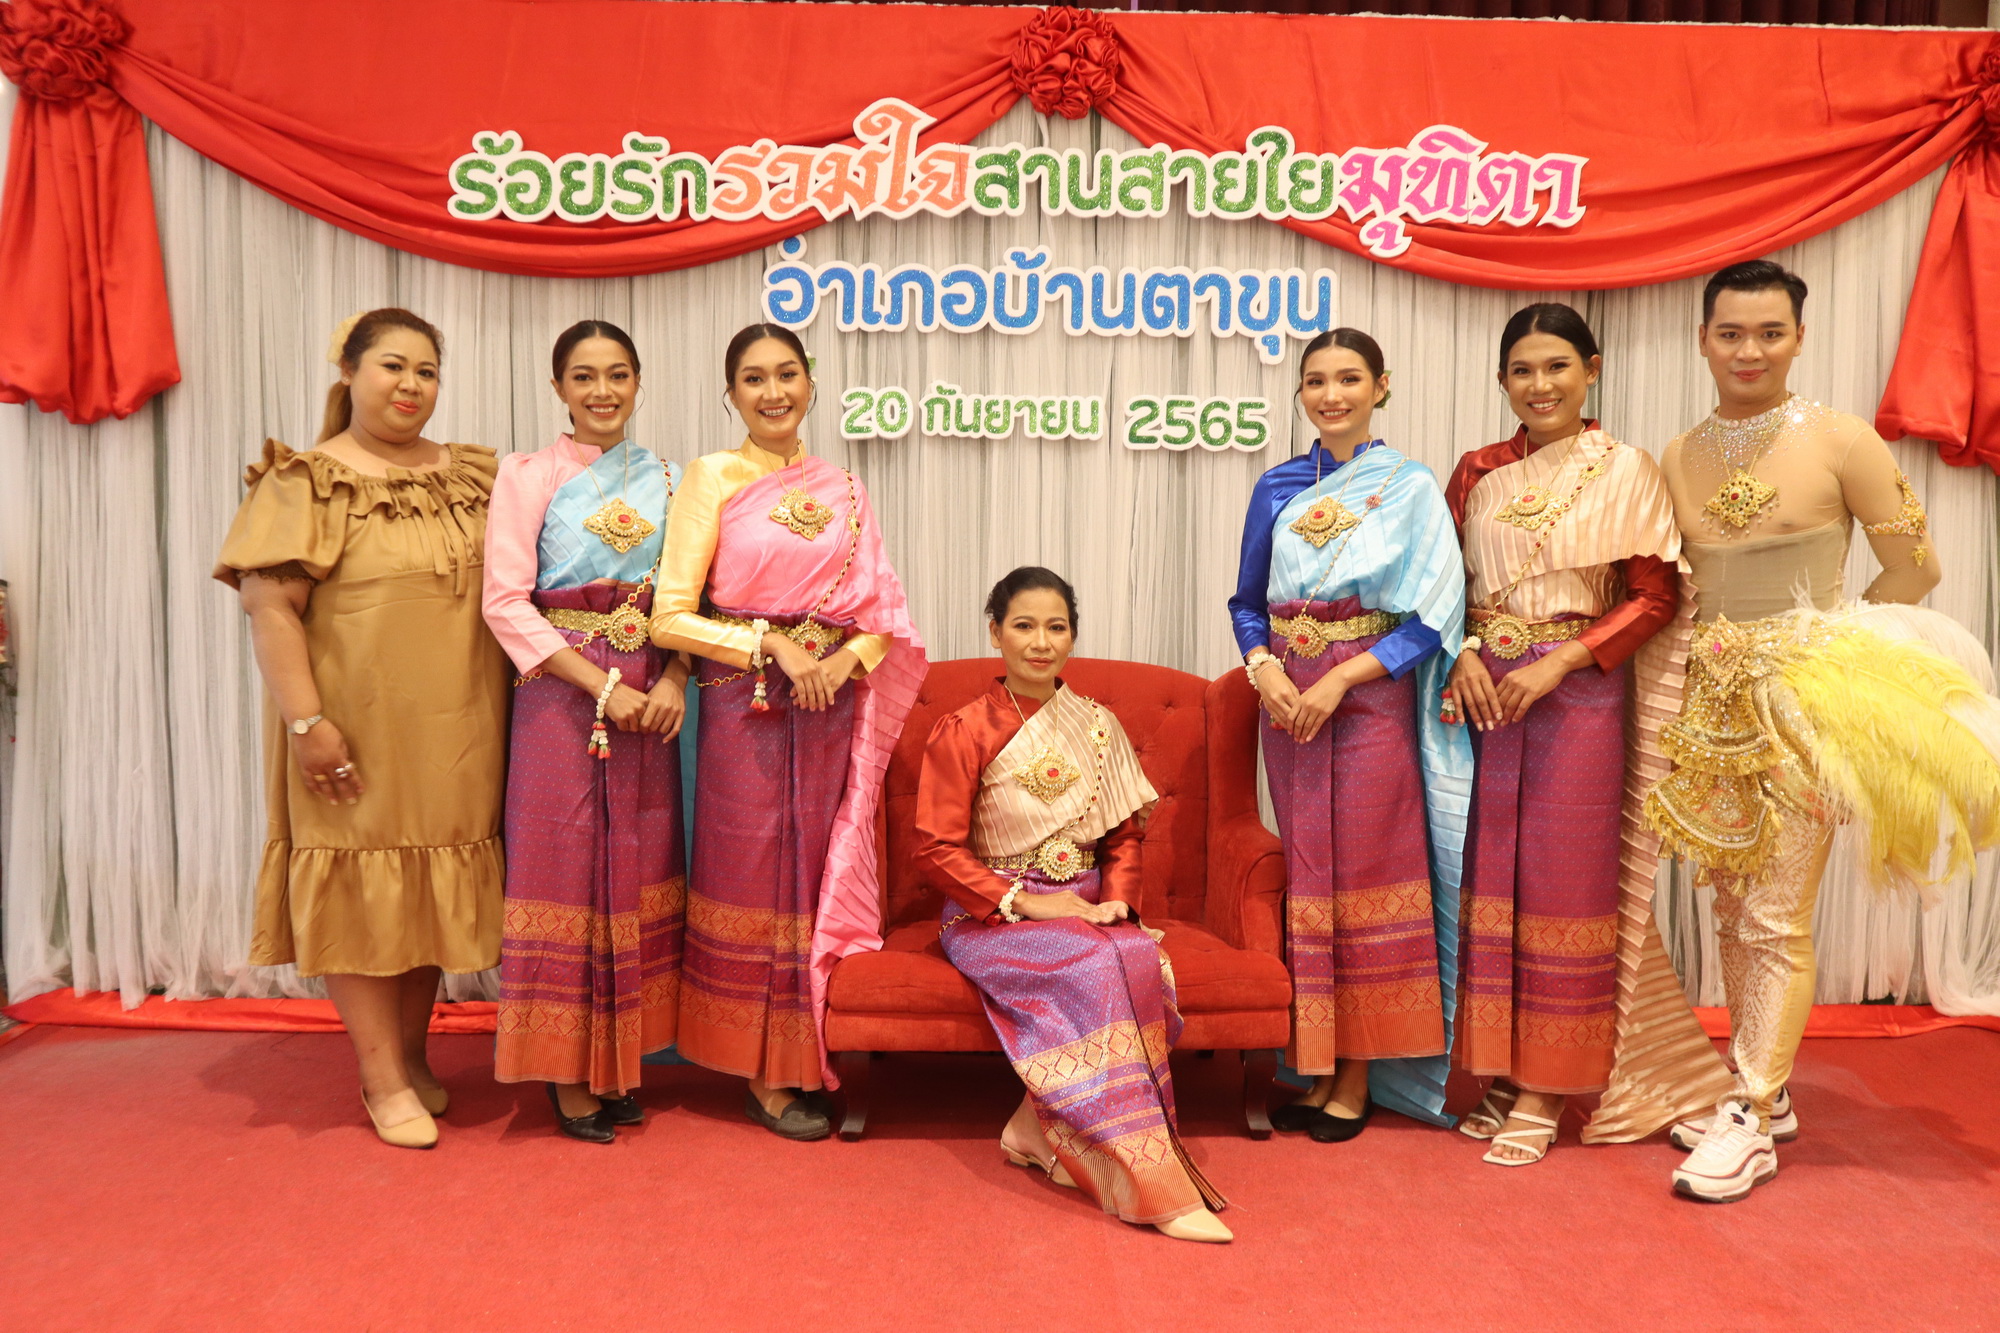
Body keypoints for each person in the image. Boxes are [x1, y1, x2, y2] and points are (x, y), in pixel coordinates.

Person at [1649, 260, 2000, 1201]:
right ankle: (1764, 1088)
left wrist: (1828, 654)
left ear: (1799, 338)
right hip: (1709, 705)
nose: (1750, 350)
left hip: (1806, 703)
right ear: (1703, 340)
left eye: (1770, 332)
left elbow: (1915, 569)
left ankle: (1750, 1112)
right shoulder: (1679, 453)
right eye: (1731, 333)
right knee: (1732, 907)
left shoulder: (1844, 440)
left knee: (1775, 911)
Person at [1441, 304, 1734, 1167]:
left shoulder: (1626, 469)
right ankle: (1504, 1067)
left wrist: (1561, 662)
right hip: (1489, 694)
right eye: (1523, 371)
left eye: (1558, 367)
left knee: (1565, 885)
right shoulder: (1477, 470)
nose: (1541, 385)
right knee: (1494, 879)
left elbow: (1654, 597)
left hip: (1577, 697)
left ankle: (1549, 1082)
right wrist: (1463, 650)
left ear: (1592, 369)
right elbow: (1447, 580)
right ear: (1502, 380)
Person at [215, 309, 508, 1149]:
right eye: (392, 365)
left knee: (425, 894)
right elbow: (270, 607)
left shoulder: (473, 475)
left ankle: (413, 1057)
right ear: (347, 370)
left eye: (427, 370)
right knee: (360, 894)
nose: (411, 384)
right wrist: (307, 721)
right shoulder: (306, 480)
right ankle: (381, 1078)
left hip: (460, 729)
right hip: (354, 729)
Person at [649, 323, 925, 1140]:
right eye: (753, 378)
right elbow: (670, 616)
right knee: (751, 873)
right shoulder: (711, 476)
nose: (773, 392)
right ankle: (761, 1069)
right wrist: (769, 644)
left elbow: (883, 614)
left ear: (810, 382)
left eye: (787, 374)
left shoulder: (845, 487)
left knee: (816, 873)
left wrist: (844, 662)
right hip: (749, 705)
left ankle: (813, 1049)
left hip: (829, 704)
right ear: (730, 393)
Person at [914, 567, 1231, 1243]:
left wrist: (1116, 903)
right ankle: (1149, 1182)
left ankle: (1038, 1128)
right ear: (995, 633)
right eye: (1024, 626)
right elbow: (936, 850)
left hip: (1085, 904)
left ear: (1073, 636)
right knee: (1094, 965)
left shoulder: (1098, 725)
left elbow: (1123, 837)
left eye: (1056, 627)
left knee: (1137, 953)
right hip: (993, 913)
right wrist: (1029, 903)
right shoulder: (964, 729)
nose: (1041, 642)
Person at [1227, 327, 1472, 1140]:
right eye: (1316, 381)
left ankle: (1359, 1075)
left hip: (1366, 700)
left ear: (1381, 386)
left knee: (1370, 875)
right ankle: (1316, 1063)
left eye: (1349, 379)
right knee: (1311, 876)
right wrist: (1263, 666)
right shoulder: (1276, 485)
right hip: (1288, 704)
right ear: (1300, 392)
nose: (1331, 395)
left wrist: (1340, 678)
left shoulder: (1408, 485)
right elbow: (1246, 602)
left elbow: (1434, 616)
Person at [482, 320, 688, 1143]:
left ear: (638, 382)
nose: (602, 391)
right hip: (560, 694)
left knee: (636, 866)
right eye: (584, 376)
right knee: (563, 868)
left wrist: (672, 677)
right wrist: (601, 684)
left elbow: (690, 597)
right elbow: (505, 602)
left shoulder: (671, 479)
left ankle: (619, 1061)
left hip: (648, 694)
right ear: (559, 387)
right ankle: (564, 1071)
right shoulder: (526, 475)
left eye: (617, 374)